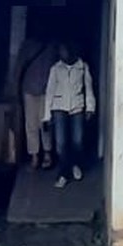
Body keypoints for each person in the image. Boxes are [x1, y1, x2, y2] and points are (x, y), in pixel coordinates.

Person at [44, 42, 96, 189]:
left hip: (77, 107)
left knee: (77, 140)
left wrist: (90, 108)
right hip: (59, 107)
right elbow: (50, 91)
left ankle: (75, 164)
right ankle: (63, 174)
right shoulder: (55, 69)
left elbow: (89, 88)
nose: (62, 53)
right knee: (60, 144)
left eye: (64, 50)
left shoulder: (82, 67)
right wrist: (47, 115)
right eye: (60, 50)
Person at [18, 38, 55, 171]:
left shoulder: (27, 46)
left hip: (32, 88)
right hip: (42, 89)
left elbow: (19, 66)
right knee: (42, 123)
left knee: (34, 124)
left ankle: (37, 157)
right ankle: (45, 155)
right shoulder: (51, 47)